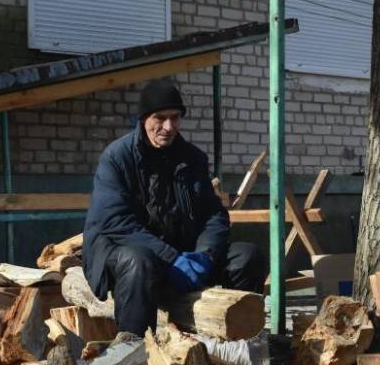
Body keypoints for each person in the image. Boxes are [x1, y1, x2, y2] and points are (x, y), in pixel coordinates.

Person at [82, 79, 266, 336]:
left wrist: (205, 255)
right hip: (124, 255)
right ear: (144, 118)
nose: (168, 127)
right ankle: (134, 352)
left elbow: (213, 214)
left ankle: (243, 346)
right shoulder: (117, 158)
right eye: (160, 118)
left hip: (181, 254)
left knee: (247, 256)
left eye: (175, 118)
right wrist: (170, 257)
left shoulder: (192, 158)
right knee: (139, 261)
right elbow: (115, 222)